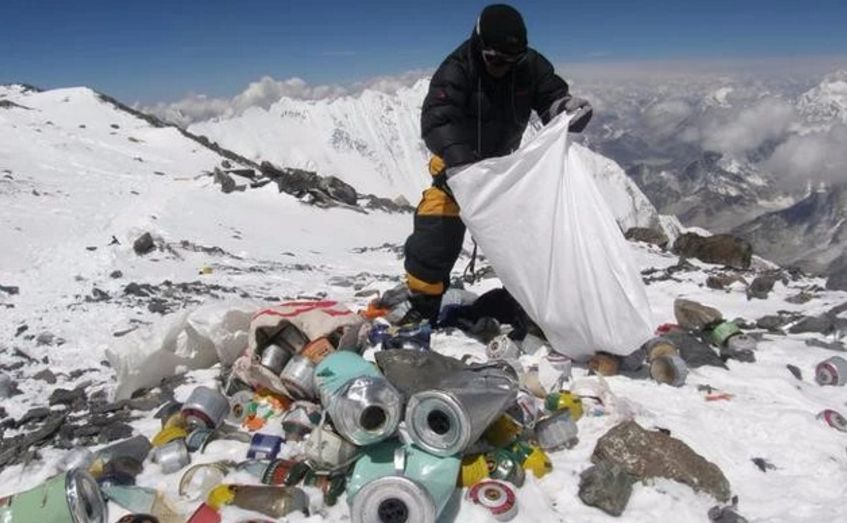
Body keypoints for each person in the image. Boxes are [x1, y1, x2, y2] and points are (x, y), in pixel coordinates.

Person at [397, 3, 593, 322]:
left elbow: (550, 97)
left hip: (504, 172)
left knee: (529, 236)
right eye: (494, 58)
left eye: (510, 60)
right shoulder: (457, 70)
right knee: (436, 232)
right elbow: (437, 120)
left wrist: (565, 109)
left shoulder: (530, 66)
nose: (502, 66)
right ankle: (423, 305)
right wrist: (461, 166)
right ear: (478, 43)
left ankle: (527, 302)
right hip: (456, 171)